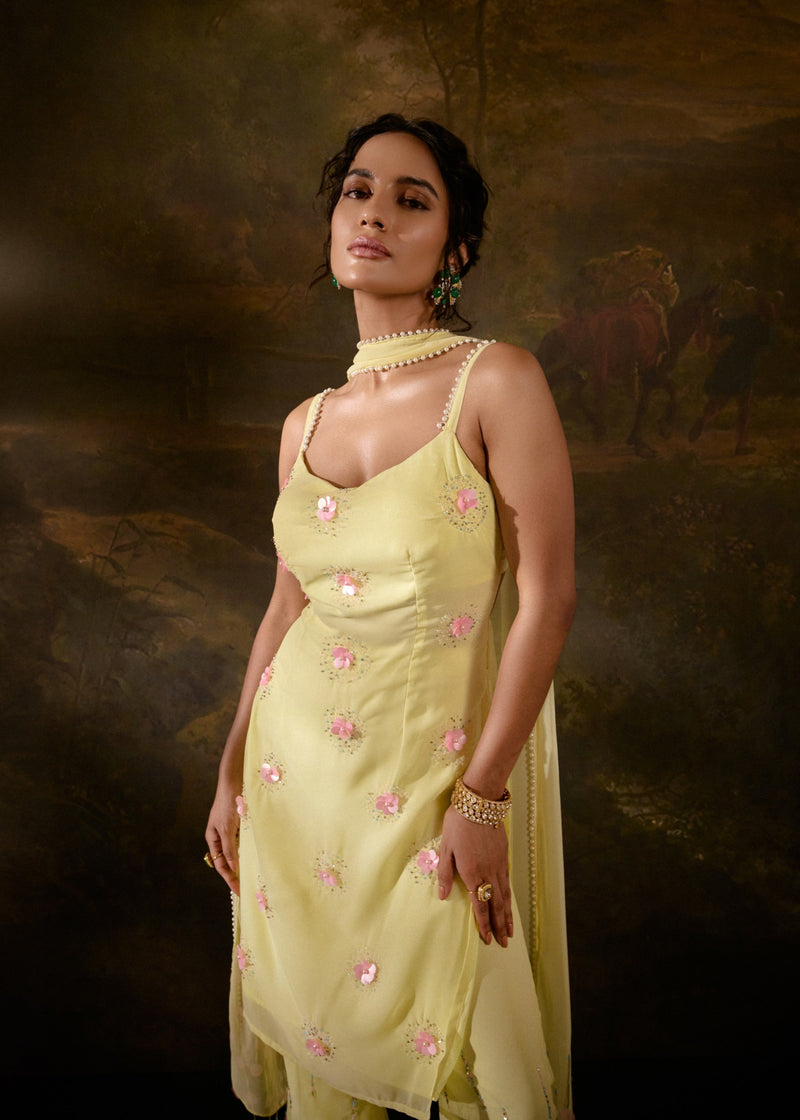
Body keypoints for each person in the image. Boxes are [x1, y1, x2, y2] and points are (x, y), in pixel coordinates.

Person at [205, 113, 576, 1120]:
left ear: (454, 249)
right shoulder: (304, 423)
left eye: (411, 200)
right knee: (328, 1043)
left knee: (492, 1058)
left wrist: (481, 799)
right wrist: (231, 770)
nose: (373, 214)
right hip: (296, 784)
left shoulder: (494, 380)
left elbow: (547, 595)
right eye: (357, 192)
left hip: (437, 784)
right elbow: (285, 604)